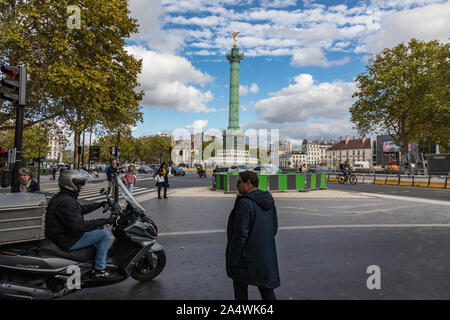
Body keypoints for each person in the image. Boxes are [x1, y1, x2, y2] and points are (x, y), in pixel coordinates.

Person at [45, 170, 115, 279]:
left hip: (65, 234)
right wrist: (106, 220)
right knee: (105, 235)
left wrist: (100, 204)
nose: (82, 187)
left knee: (98, 227)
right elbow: (80, 226)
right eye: (80, 184)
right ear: (71, 184)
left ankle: (92, 257)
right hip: (67, 239)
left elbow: (81, 209)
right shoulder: (66, 201)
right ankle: (99, 269)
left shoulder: (64, 197)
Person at [226, 171, 280, 300]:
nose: (236, 186)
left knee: (240, 287)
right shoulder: (268, 201)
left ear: (248, 183)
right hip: (264, 254)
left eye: (239, 182)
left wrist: (233, 254)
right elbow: (274, 228)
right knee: (266, 289)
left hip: (245, 256)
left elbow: (240, 234)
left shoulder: (245, 203)